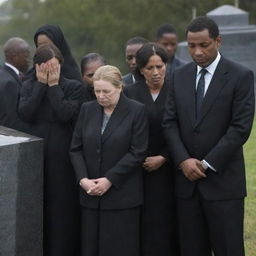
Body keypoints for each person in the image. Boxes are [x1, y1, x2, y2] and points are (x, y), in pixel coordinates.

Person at [162, 16, 255, 256]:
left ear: (218, 41)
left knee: (228, 249)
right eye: (191, 45)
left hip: (224, 185)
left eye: (204, 45)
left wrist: (206, 164)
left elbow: (240, 128)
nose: (197, 51)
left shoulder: (241, 76)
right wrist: (183, 160)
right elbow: (170, 122)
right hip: (187, 186)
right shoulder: (178, 76)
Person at [70, 65, 148, 256]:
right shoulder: (87, 109)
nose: (101, 96)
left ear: (119, 87)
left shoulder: (136, 111)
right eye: (97, 91)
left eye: (106, 91)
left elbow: (138, 152)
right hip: (90, 195)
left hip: (122, 198)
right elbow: (75, 148)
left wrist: (109, 179)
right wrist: (83, 180)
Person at [18, 43, 82, 256]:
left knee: (61, 209)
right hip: (35, 156)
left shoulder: (73, 87)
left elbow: (65, 114)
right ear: (37, 68)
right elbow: (26, 112)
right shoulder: (28, 85)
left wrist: (54, 87)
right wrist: (40, 85)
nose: (50, 72)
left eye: (54, 67)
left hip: (62, 158)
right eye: (46, 68)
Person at [124, 42, 179, 256]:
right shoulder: (129, 93)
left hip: (170, 166)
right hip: (139, 168)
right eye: (150, 68)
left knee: (169, 218)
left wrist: (164, 156)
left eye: (160, 66)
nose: (156, 72)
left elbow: (183, 128)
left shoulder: (177, 89)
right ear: (140, 69)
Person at [0, 37, 30, 132]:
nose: (28, 60)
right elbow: (10, 120)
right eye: (26, 56)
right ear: (14, 56)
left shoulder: (4, 74)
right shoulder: (9, 82)